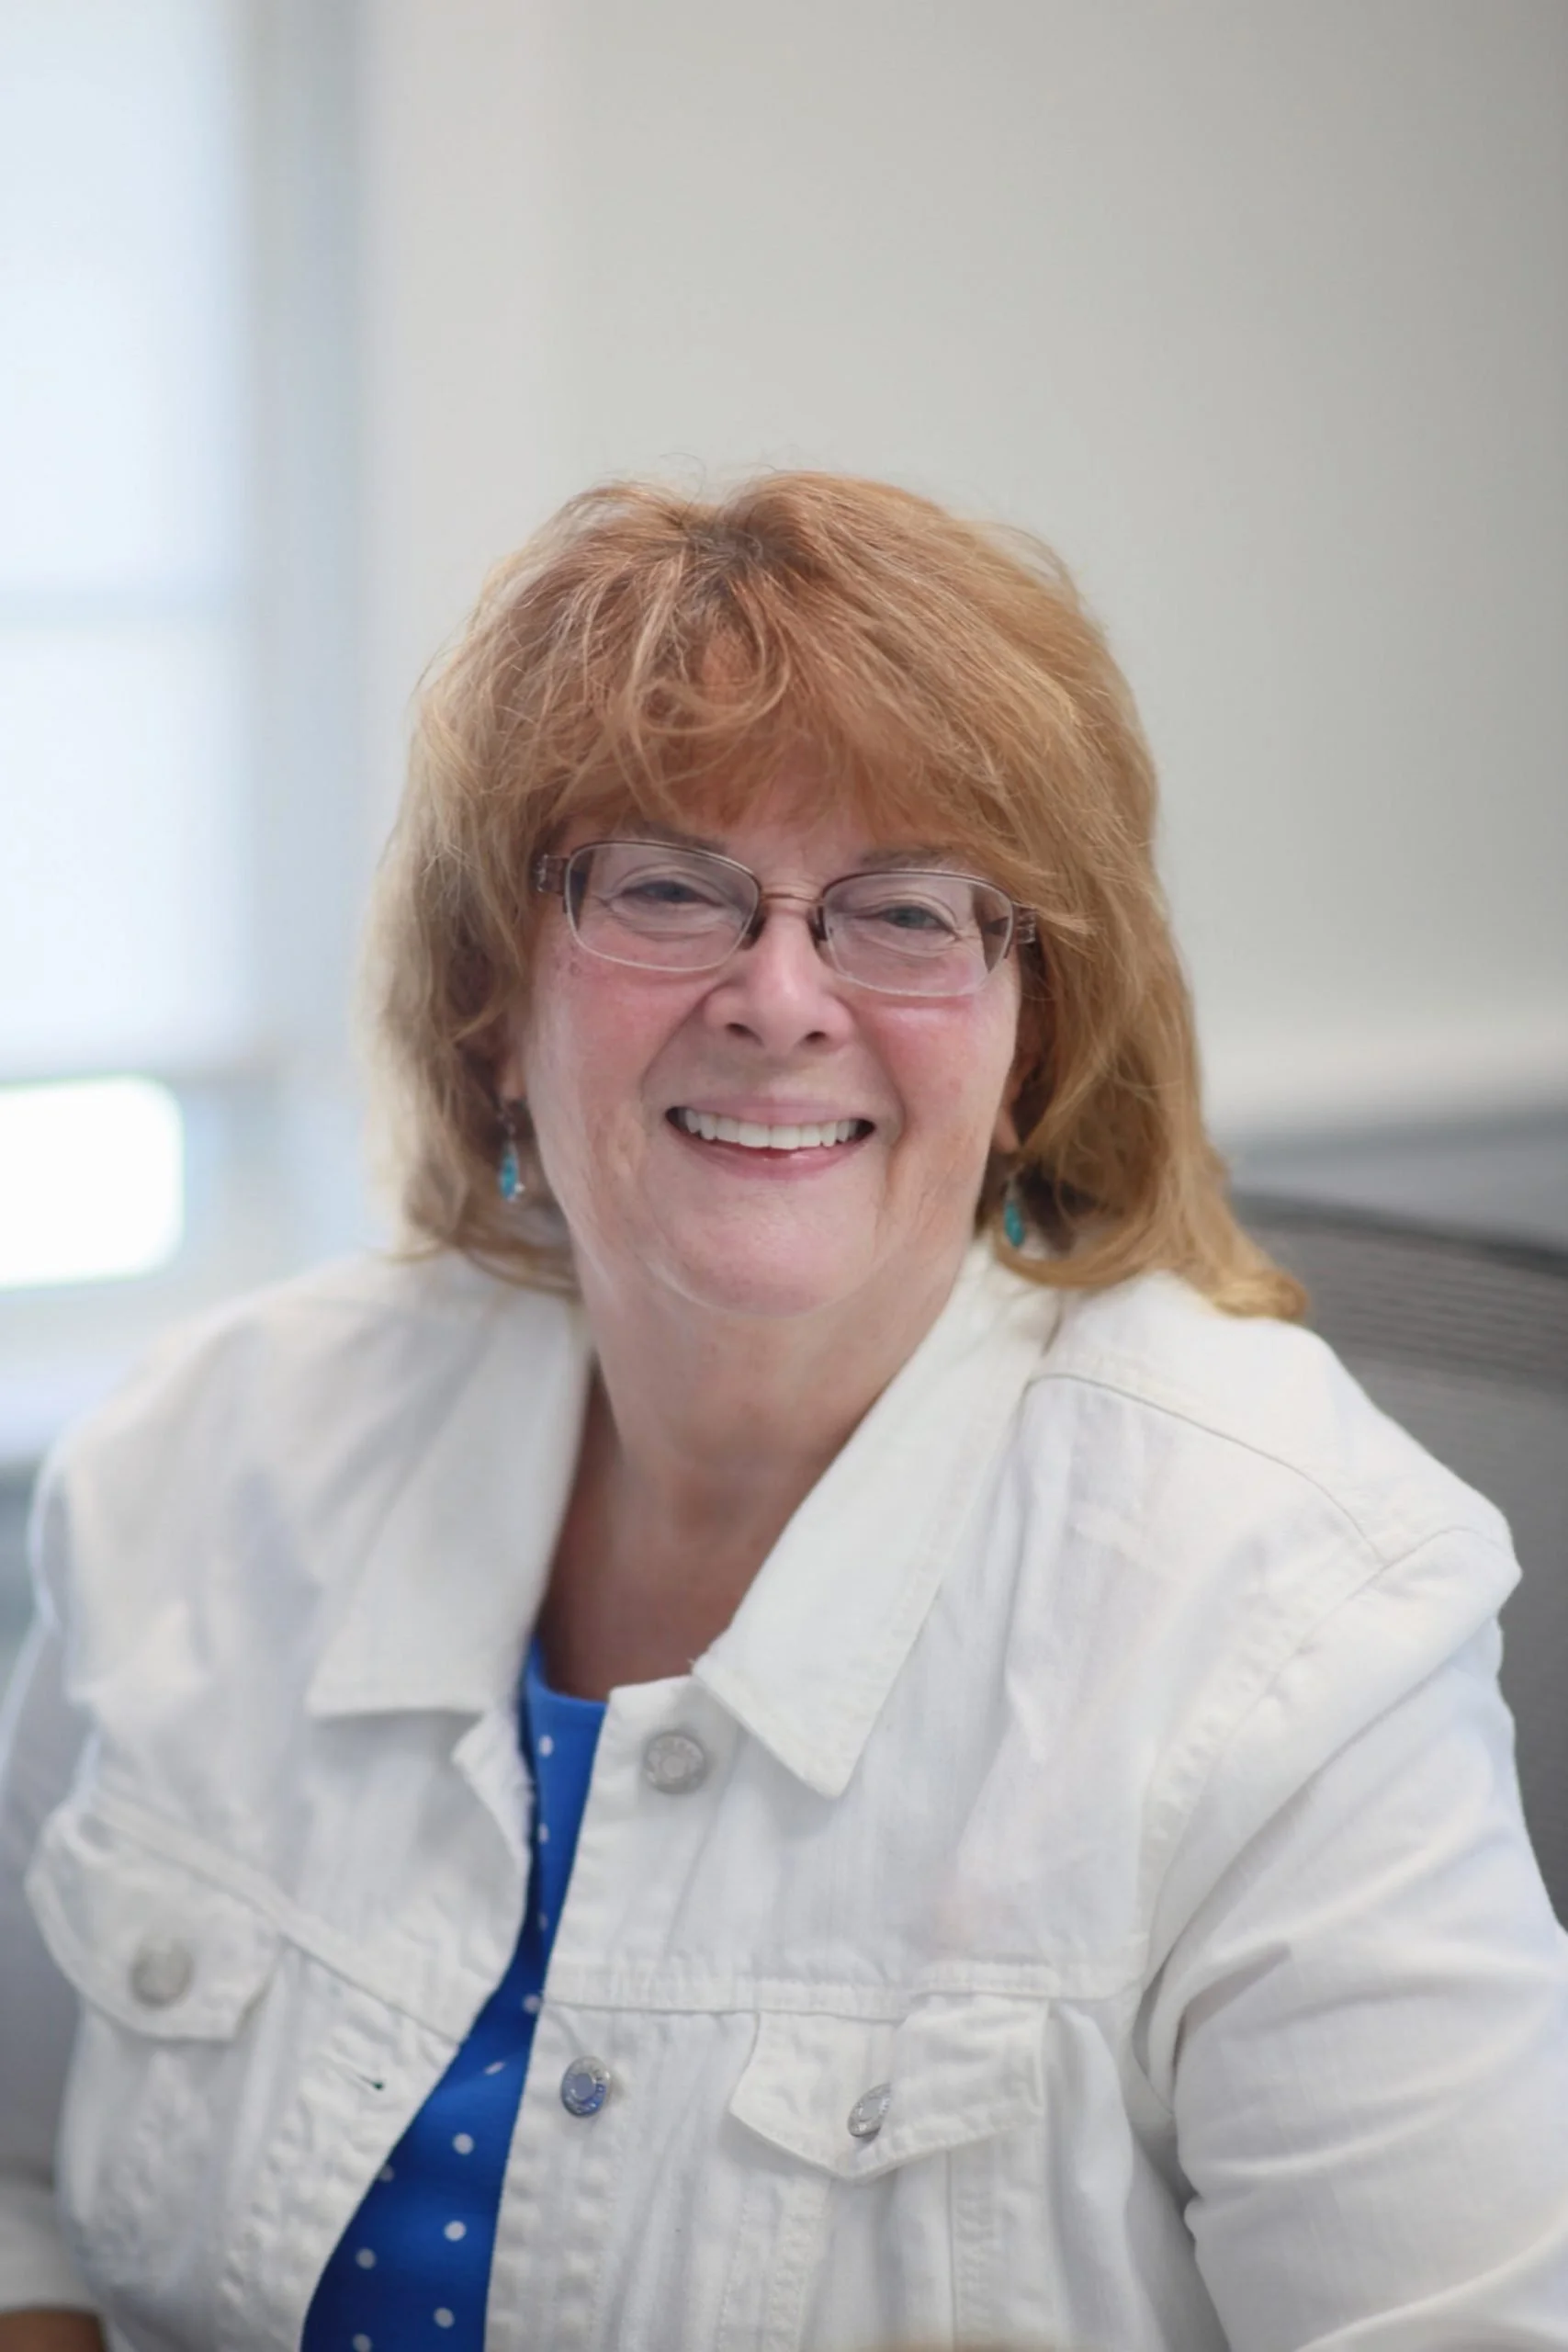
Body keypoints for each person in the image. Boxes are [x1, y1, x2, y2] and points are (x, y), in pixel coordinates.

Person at [1, 473, 1565, 2352]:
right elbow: (24, 2176)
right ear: (497, 996)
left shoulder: (1287, 1610)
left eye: (906, 911)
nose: (777, 994)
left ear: (1029, 1040)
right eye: (666, 885)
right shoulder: (199, 1461)